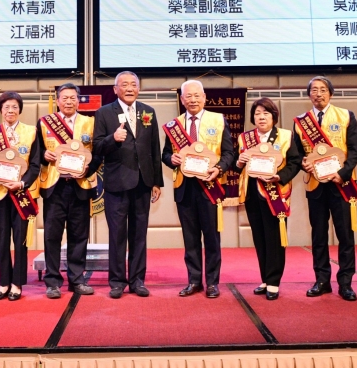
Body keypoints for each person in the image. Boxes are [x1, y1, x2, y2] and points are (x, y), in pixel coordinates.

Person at [292, 76, 357, 302]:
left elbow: (355, 149)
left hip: (341, 184)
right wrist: (303, 163)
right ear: (309, 95)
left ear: (330, 93)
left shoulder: (345, 116)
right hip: (315, 185)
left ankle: (346, 283)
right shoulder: (301, 122)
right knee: (319, 235)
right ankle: (322, 280)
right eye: (314, 90)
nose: (318, 94)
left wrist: (342, 173)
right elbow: (296, 154)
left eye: (323, 90)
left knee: (345, 235)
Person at [93, 71, 163, 299]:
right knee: (117, 235)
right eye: (124, 85)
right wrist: (112, 139)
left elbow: (154, 148)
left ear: (139, 89)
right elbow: (97, 147)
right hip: (117, 183)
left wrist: (156, 182)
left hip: (143, 182)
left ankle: (137, 281)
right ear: (115, 89)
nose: (129, 88)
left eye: (133, 84)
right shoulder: (104, 113)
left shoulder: (148, 111)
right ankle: (116, 282)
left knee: (139, 234)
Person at [161, 80, 234, 298]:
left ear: (204, 97)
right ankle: (194, 281)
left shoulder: (218, 120)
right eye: (188, 96)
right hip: (184, 188)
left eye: (196, 95)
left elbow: (229, 153)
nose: (193, 100)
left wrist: (219, 169)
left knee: (211, 238)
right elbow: (165, 154)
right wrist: (171, 159)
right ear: (182, 100)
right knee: (190, 238)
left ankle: (212, 282)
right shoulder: (174, 125)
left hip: (210, 186)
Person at [36, 83, 100, 299]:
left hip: (80, 186)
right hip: (55, 187)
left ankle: (77, 279)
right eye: (65, 98)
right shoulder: (45, 123)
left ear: (79, 100)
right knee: (52, 236)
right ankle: (52, 282)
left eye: (73, 98)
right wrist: (44, 155)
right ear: (57, 101)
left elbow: (97, 153)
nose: (69, 102)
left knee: (79, 236)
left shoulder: (90, 123)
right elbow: (36, 152)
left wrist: (88, 169)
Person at [236, 98, 302, 300]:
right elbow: (237, 167)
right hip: (252, 194)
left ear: (274, 116)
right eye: (257, 114)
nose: (261, 117)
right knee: (259, 238)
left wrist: (279, 177)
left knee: (274, 238)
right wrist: (239, 162)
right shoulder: (245, 138)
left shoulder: (285, 136)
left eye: (266, 113)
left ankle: (274, 281)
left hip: (275, 193)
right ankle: (265, 279)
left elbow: (295, 162)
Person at [0, 91, 40, 301]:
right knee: (2, 240)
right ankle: (4, 283)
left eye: (15, 107)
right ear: (0, 110)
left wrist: (22, 183)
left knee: (20, 239)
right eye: (6, 107)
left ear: (20, 110)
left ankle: (17, 283)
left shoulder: (31, 132)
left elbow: (35, 164)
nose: (10, 111)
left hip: (22, 193)